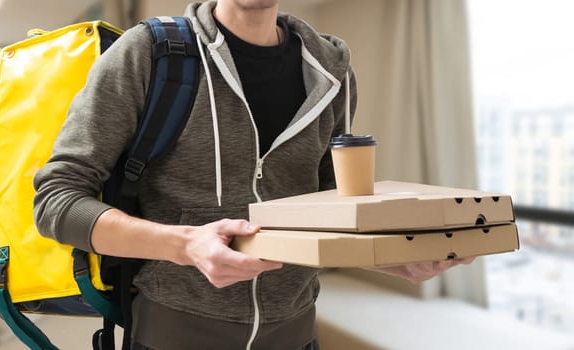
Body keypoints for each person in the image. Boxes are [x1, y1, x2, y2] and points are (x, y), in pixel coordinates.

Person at [34, 0, 473, 348]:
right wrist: (187, 245)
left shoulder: (331, 70)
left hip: (297, 334)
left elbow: (323, 209)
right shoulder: (149, 53)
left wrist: (390, 257)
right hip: (172, 333)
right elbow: (56, 201)